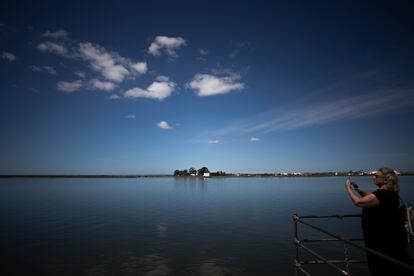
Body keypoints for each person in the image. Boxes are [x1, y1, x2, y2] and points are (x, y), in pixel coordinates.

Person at [345, 167, 412, 276]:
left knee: (382, 267)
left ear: (386, 180)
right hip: (387, 238)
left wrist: (348, 189)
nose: (373, 177)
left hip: (382, 241)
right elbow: (372, 196)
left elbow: (358, 202)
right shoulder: (388, 193)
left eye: (376, 176)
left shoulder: (383, 195)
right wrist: (358, 190)